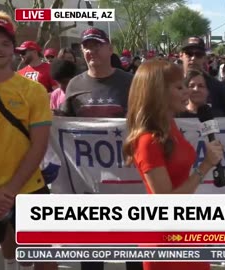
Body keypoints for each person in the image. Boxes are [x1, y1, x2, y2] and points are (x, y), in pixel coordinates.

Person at [123, 60, 223, 270]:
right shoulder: (147, 141)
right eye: (179, 87)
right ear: (158, 93)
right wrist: (204, 167)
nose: (186, 91)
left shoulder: (170, 125)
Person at [59, 27, 141, 270]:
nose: (90, 50)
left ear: (110, 48)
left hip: (127, 179)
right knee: (92, 253)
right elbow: (64, 126)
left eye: (96, 45)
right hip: (90, 184)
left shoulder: (130, 81)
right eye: (86, 46)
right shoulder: (74, 84)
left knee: (133, 251)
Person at [0, 10, 57, 270]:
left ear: (13, 49)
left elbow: (39, 145)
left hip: (29, 188)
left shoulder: (32, 91)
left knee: (46, 259)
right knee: (9, 246)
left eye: (5, 43)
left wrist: (8, 192)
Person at [180, 36, 225, 117]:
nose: (193, 58)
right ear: (181, 55)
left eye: (198, 54)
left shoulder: (218, 87)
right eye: (189, 54)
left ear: (204, 58)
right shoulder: (170, 86)